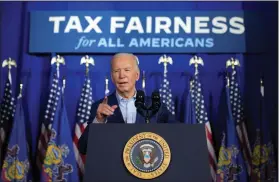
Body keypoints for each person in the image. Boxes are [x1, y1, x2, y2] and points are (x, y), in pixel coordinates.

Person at [78, 53, 177, 154]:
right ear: (112, 77)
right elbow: (83, 148)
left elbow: (177, 137)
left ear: (137, 75)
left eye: (127, 70)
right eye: (117, 71)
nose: (121, 75)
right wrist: (98, 121)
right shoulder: (99, 107)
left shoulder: (155, 106)